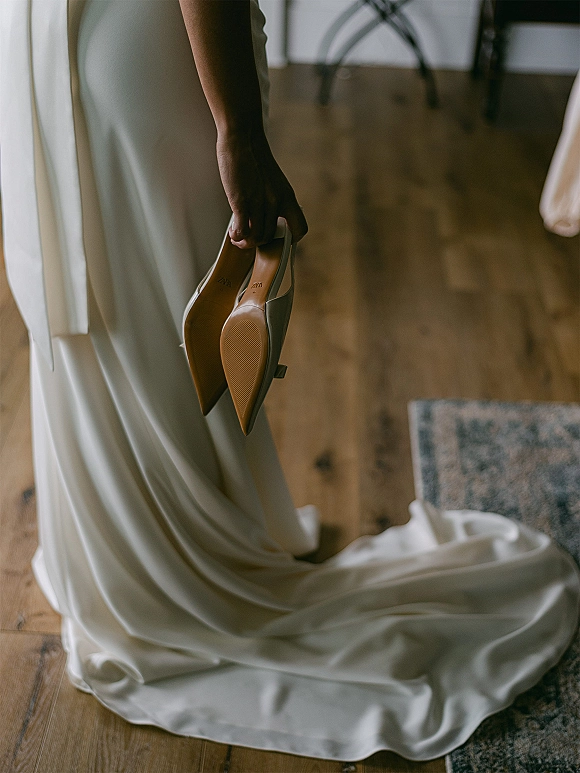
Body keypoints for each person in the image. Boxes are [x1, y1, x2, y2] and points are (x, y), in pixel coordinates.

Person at [1, 0, 579, 762]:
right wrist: (239, 129)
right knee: (165, 316)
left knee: (129, 321)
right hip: (152, 45)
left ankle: (126, 558)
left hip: (45, 45)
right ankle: (172, 567)